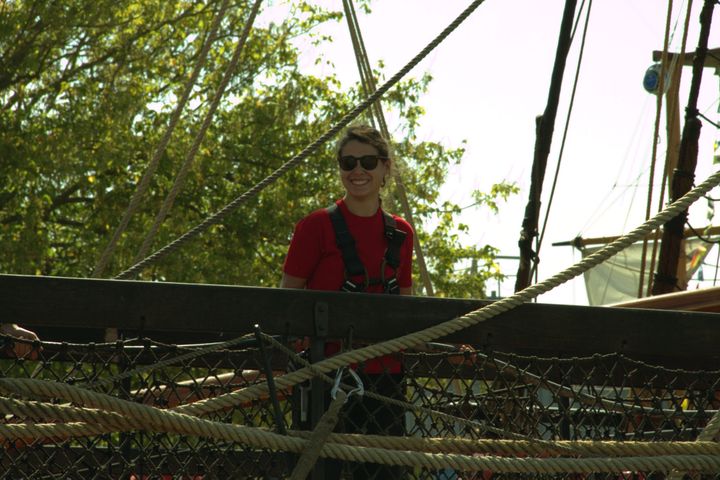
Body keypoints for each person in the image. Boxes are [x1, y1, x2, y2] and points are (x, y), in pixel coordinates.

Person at [281, 124, 413, 478]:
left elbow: (405, 307)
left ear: (385, 168)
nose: (358, 171)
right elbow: (285, 301)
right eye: (348, 163)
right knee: (323, 470)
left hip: (386, 378)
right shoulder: (315, 227)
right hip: (326, 375)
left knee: (384, 472)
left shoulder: (400, 233)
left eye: (368, 162)